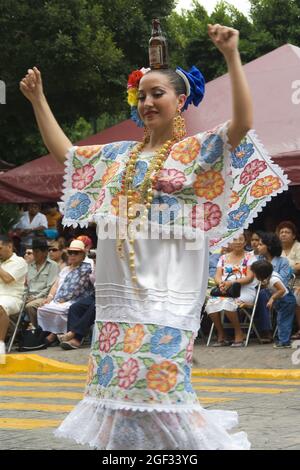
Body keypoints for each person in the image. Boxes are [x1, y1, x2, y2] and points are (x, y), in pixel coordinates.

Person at [20, 24, 289, 450]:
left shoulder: (196, 150)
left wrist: (233, 56)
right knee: (118, 391)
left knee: (159, 386)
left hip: (168, 287)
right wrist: (38, 100)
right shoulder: (119, 156)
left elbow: (242, 123)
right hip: (120, 290)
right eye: (141, 95)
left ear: (180, 100)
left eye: (157, 94)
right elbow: (67, 155)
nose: (147, 102)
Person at [36, 240, 94, 346]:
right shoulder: (65, 269)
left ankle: (54, 336)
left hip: (75, 299)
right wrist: (50, 297)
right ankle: (48, 334)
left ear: (83, 254)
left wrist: (63, 299)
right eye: (70, 252)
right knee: (43, 308)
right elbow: (55, 285)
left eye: (76, 253)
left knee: (62, 308)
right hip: (59, 298)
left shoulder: (86, 268)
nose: (72, 255)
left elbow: (78, 288)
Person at [205, 233, 257, 346]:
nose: (238, 242)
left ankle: (238, 332)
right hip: (225, 290)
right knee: (210, 304)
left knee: (228, 302)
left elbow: (249, 278)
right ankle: (221, 334)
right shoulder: (223, 258)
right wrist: (222, 284)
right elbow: (217, 276)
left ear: (245, 242)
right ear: (229, 242)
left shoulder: (250, 257)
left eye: (241, 239)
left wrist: (231, 283)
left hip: (244, 290)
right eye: (235, 239)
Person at [251, 260, 296, 348]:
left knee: (283, 321)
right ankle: (283, 339)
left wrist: (272, 298)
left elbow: (282, 290)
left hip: (286, 301)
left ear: (261, 274)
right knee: (282, 320)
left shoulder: (273, 280)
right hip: (283, 301)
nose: (254, 275)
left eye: (255, 273)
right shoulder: (270, 276)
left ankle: (284, 342)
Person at [0, 235, 28, 355]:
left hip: (12, 298)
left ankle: (0, 344)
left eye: (0, 248)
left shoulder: (20, 261)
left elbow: (7, 278)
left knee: (0, 307)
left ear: (10, 246)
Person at [24, 238, 59, 327]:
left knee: (30, 306)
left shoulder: (53, 265)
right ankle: (16, 332)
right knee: (9, 305)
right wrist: (25, 296)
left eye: (37, 251)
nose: (34, 254)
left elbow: (50, 286)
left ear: (45, 252)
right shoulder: (29, 265)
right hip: (29, 296)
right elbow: (26, 285)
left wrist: (35, 297)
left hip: (44, 297)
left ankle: (37, 330)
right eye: (33, 251)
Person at [276, 221, 300, 339]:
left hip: (297, 283)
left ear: (294, 235)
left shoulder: (298, 247)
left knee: (296, 297)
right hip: (278, 284)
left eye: (287, 232)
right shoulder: (276, 249)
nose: (284, 234)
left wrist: (285, 269)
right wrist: (292, 267)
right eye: (281, 232)